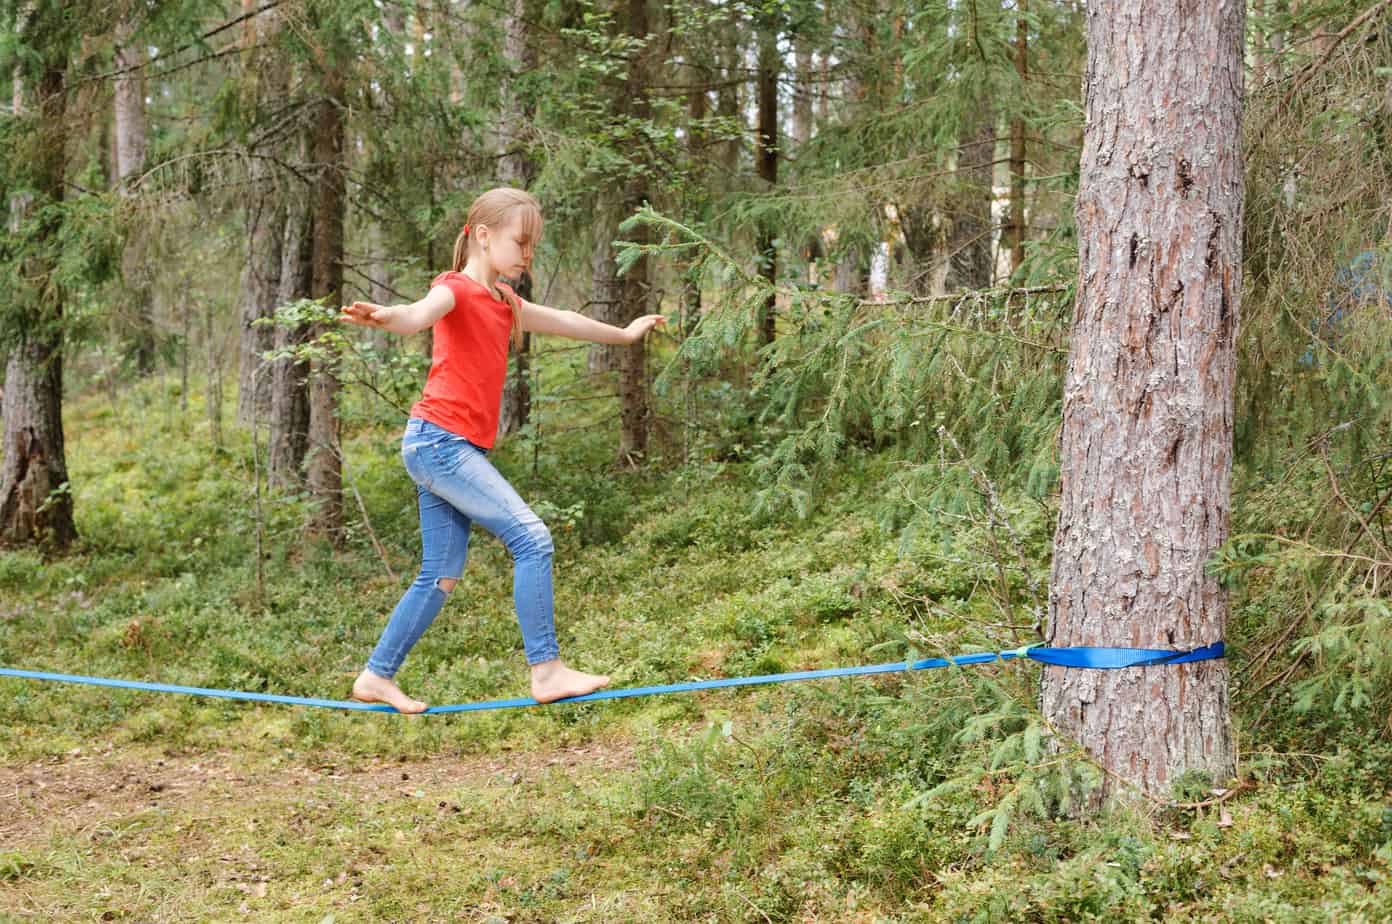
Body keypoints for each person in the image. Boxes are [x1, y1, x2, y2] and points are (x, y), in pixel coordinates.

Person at [338, 187, 665, 713]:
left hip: (441, 446)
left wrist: (625, 335)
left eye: (533, 245)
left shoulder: (505, 302)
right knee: (533, 538)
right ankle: (547, 669)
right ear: (485, 237)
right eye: (521, 242)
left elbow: (563, 320)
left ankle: (377, 675)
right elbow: (419, 313)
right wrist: (386, 316)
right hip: (440, 442)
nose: (528, 254)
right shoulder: (458, 288)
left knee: (439, 573)